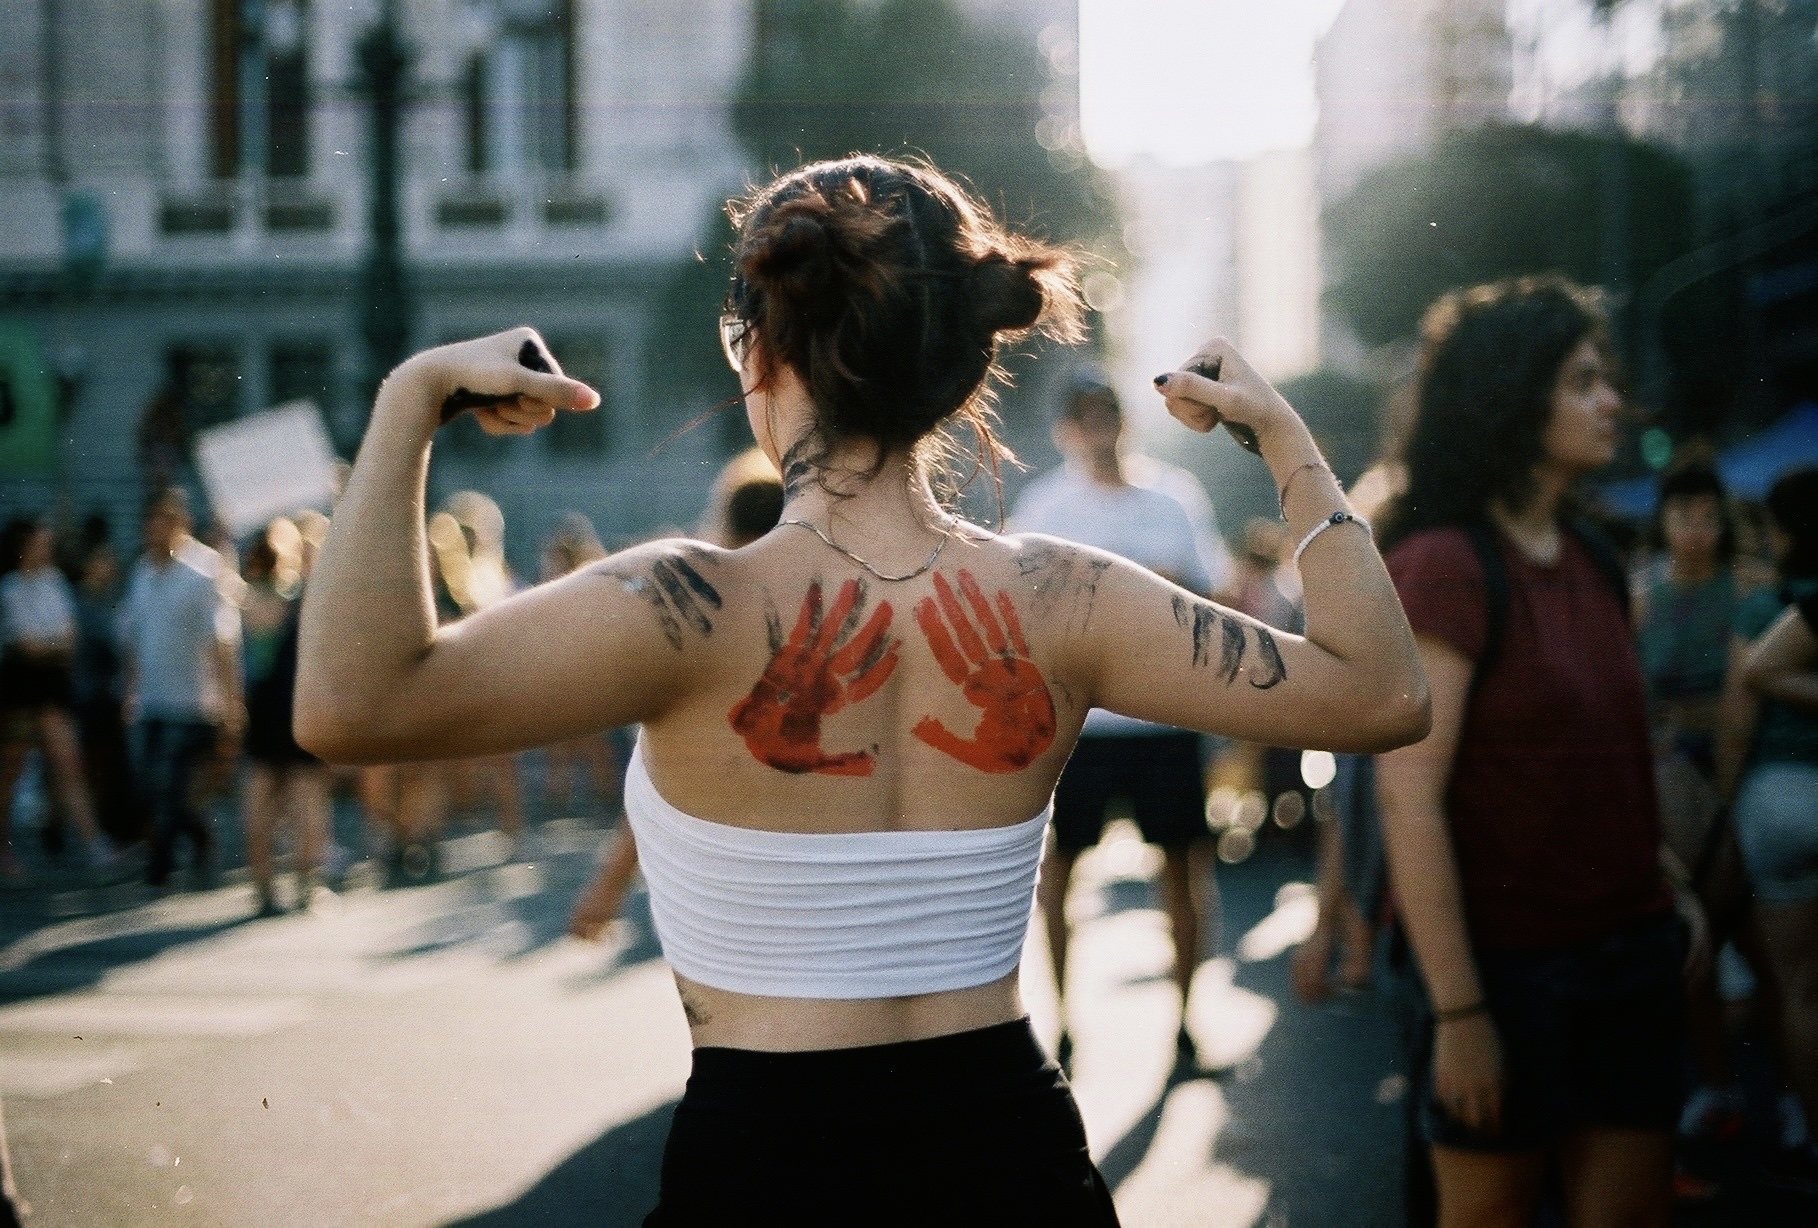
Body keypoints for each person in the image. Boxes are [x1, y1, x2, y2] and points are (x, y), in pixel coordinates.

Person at [297, 154, 1427, 1223]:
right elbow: (1381, 696)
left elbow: (352, 705)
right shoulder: (1062, 599)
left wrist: (411, 398)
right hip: (1012, 1157)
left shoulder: (680, 606)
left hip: (767, 1167)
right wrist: (1283, 437)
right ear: (963, 359)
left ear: (758, 353)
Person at [1374, 276, 1690, 1228]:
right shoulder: (1445, 565)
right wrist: (1463, 1017)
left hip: (1631, 961)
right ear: (1515, 396)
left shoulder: (1596, 558)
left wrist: (1665, 888)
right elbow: (1409, 801)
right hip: (1509, 978)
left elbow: (1614, 762)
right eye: (1584, 381)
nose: (1612, 403)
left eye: (1609, 381)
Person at [1009, 376, 1229, 1073]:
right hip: (1080, 726)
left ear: (1126, 422)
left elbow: (1215, 591)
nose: (1100, 429)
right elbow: (1018, 613)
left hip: (1164, 719)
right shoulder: (1045, 504)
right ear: (1066, 430)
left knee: (1184, 871)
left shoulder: (1174, 496)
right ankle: (1065, 1022)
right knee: (1060, 873)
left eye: (1109, 415)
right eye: (1085, 418)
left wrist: (1160, 588)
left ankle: (1188, 1022)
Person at [567, 457, 785, 942]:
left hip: (729, 891)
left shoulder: (709, 634)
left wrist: (606, 888)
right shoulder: (824, 626)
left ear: (726, 528)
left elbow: (663, 778)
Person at [1718, 466, 1818, 1170]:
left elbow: (1737, 713)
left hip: (1779, 800)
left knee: (1798, 990)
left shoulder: (1762, 610)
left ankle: (1805, 1123)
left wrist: (1722, 803)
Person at [117, 490, 243, 890]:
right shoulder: (142, 573)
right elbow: (134, 637)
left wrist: (230, 700)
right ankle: (200, 838)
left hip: (192, 699)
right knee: (152, 783)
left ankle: (161, 867)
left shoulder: (204, 569)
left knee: (169, 779)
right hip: (152, 698)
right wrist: (130, 690)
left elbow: (220, 639)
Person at [0, 518, 115, 879]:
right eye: (40, 542)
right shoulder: (10, 588)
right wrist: (47, 645)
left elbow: (66, 639)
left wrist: (43, 645)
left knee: (68, 765)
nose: (46, 549)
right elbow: (26, 645)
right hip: (18, 692)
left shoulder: (55, 583)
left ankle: (95, 845)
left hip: (51, 689)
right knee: (10, 771)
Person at [240, 517, 330, 916]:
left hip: (261, 709)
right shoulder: (308, 597)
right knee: (307, 799)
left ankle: (263, 889)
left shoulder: (247, 599)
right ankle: (307, 886)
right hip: (299, 705)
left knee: (259, 800)